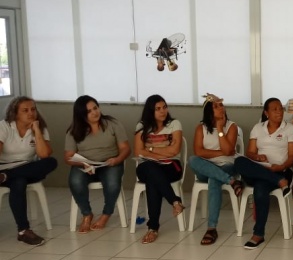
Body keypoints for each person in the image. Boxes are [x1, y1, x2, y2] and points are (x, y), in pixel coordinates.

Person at [65, 96, 131, 233]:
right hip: (85, 165)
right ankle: (87, 214)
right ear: (81, 115)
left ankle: (106, 214)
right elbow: (68, 157)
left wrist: (117, 160)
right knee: (75, 181)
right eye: (89, 111)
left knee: (112, 184)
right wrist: (83, 164)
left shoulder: (112, 124)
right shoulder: (74, 131)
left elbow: (125, 148)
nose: (94, 113)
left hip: (110, 163)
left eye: (95, 108)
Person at [239, 97, 293, 249]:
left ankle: (258, 234)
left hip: (281, 170)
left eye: (281, 109)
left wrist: (281, 166)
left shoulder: (290, 129)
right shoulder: (258, 128)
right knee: (239, 161)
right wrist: (257, 157)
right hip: (261, 169)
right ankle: (279, 182)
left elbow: (292, 157)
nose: (279, 112)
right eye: (274, 109)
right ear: (266, 113)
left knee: (260, 188)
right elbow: (250, 153)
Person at [0, 96, 57, 245]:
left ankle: (6, 176)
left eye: (33, 109)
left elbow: (44, 155)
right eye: (25, 110)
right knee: (19, 182)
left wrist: (36, 130)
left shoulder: (40, 127)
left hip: (27, 169)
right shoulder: (4, 126)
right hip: (4, 167)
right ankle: (23, 231)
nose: (30, 113)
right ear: (15, 113)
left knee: (51, 162)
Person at [187, 93, 240, 245]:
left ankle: (211, 228)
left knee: (214, 179)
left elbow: (228, 152)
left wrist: (220, 128)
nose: (220, 108)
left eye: (221, 105)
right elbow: (198, 152)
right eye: (216, 106)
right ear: (209, 111)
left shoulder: (232, 126)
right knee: (192, 160)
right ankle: (231, 182)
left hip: (227, 166)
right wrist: (221, 152)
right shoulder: (201, 128)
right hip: (205, 167)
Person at [134, 94, 185, 244]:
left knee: (153, 179)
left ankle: (153, 228)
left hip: (171, 166)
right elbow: (138, 151)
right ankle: (175, 201)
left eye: (164, 107)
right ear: (150, 111)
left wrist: (150, 149)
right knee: (151, 169)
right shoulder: (141, 126)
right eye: (158, 109)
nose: (163, 111)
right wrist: (160, 153)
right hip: (147, 166)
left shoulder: (174, 124)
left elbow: (174, 151)